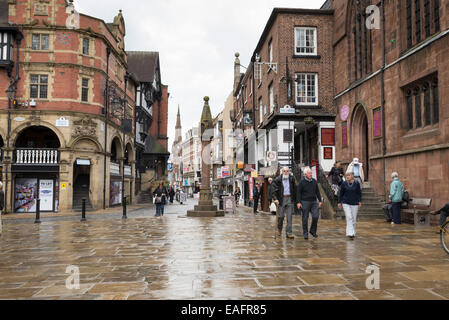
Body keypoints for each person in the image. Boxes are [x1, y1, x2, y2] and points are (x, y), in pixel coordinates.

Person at [297, 167, 322, 240]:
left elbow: (317, 191)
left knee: (315, 216)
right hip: (305, 202)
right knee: (305, 218)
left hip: (314, 202)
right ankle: (305, 233)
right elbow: (298, 193)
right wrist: (298, 202)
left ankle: (312, 231)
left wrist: (320, 200)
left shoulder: (314, 181)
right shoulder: (301, 182)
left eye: (311, 173)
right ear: (305, 174)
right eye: (309, 173)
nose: (311, 174)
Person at [272, 167, 297, 239]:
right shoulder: (277, 180)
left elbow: (295, 189)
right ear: (282, 172)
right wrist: (275, 199)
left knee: (289, 217)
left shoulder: (292, 179)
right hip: (281, 199)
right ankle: (279, 228)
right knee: (281, 216)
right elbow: (273, 190)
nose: (286, 172)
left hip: (289, 198)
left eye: (287, 171)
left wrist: (295, 199)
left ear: (289, 172)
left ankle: (289, 233)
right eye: (284, 171)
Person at [338, 171, 362, 240]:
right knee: (349, 217)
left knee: (353, 219)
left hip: (355, 203)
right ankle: (350, 233)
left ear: (352, 176)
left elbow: (359, 193)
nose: (347, 176)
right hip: (346, 203)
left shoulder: (357, 183)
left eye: (349, 175)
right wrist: (339, 202)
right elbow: (341, 193)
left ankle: (353, 232)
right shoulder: (344, 184)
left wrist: (360, 201)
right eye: (346, 175)